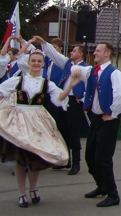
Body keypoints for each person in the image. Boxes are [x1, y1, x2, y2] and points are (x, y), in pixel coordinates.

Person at [0, 50, 80, 208]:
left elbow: (59, 98)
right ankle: (22, 193)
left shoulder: (46, 83)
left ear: (43, 64)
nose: (36, 63)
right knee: (21, 160)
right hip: (19, 122)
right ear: (28, 63)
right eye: (33, 61)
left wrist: (70, 85)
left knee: (34, 159)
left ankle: (33, 189)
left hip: (37, 122)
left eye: (39, 61)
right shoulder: (18, 80)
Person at [75, 42, 121, 208]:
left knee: (102, 159)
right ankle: (102, 185)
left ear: (107, 54)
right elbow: (73, 69)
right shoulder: (93, 71)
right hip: (97, 119)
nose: (95, 53)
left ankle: (113, 194)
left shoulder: (114, 73)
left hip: (108, 121)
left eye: (98, 50)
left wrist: (113, 113)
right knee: (90, 156)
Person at [35, 35, 89, 175]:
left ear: (81, 54)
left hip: (74, 102)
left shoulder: (86, 68)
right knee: (62, 130)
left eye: (74, 51)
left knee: (74, 132)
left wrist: (82, 98)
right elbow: (54, 54)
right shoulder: (66, 63)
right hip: (63, 100)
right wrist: (43, 43)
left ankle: (76, 162)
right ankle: (66, 159)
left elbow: (91, 86)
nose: (71, 52)